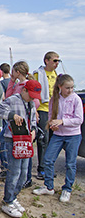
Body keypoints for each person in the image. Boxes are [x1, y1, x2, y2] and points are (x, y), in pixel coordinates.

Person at [0, 80, 40, 218]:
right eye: (30, 95)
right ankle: (7, 201)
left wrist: (34, 131)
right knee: (14, 171)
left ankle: (13, 197)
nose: (32, 98)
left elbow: (33, 119)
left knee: (24, 172)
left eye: (34, 96)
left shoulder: (31, 103)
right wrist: (11, 115)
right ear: (24, 90)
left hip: (26, 140)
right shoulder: (13, 100)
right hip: (13, 139)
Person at [33, 74, 83, 203]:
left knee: (70, 164)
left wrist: (62, 121)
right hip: (58, 135)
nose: (70, 90)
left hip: (73, 135)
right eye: (67, 87)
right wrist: (52, 125)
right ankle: (49, 186)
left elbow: (79, 120)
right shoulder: (54, 99)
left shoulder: (76, 99)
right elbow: (51, 116)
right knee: (48, 159)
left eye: (72, 87)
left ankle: (67, 189)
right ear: (60, 86)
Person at [33, 51, 61, 180]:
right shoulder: (38, 74)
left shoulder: (56, 75)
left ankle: (49, 166)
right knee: (43, 140)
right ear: (46, 61)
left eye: (58, 61)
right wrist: (36, 111)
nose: (57, 63)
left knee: (52, 140)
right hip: (43, 109)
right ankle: (41, 168)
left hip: (54, 111)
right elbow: (34, 94)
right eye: (55, 60)